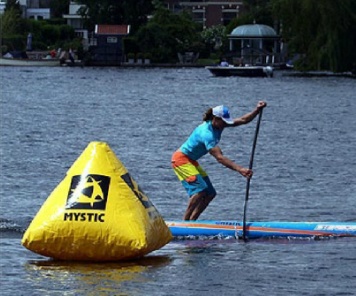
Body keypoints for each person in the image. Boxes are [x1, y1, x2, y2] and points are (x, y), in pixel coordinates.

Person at [171, 101, 267, 220]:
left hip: (191, 160)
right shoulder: (207, 134)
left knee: (210, 193)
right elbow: (219, 158)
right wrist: (240, 169)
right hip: (181, 159)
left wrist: (257, 110)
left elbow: (243, 120)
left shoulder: (219, 124)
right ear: (215, 118)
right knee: (200, 191)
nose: (225, 124)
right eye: (223, 121)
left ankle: (193, 221)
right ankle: (184, 223)